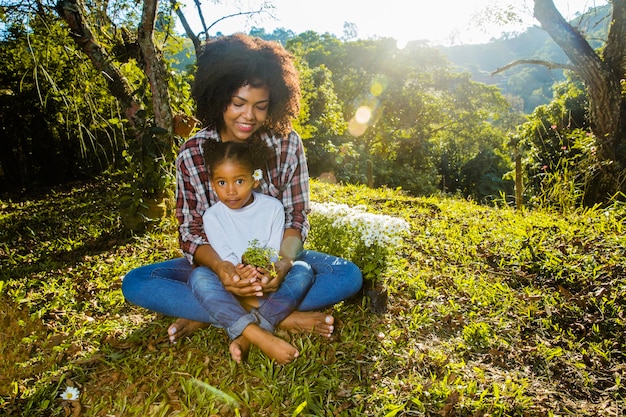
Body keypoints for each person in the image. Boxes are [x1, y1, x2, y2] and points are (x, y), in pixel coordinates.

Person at [121, 33, 363, 362]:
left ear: (274, 103)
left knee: (347, 276)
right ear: (219, 96)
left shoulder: (288, 144)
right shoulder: (191, 153)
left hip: (276, 260)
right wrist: (223, 271)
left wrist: (280, 265)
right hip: (217, 264)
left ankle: (218, 313)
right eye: (238, 103)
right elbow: (190, 232)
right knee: (138, 282)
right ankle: (278, 318)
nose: (248, 116)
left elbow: (296, 218)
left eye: (260, 106)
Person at [194, 139, 314, 364]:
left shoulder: (272, 208)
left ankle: (243, 329)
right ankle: (267, 326)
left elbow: (272, 250)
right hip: (234, 284)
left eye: (239, 181)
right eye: (221, 182)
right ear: (211, 183)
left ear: (255, 179)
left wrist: (267, 272)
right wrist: (237, 275)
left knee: (304, 270)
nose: (230, 191)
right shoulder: (212, 217)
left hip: (265, 280)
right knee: (199, 277)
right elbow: (226, 256)